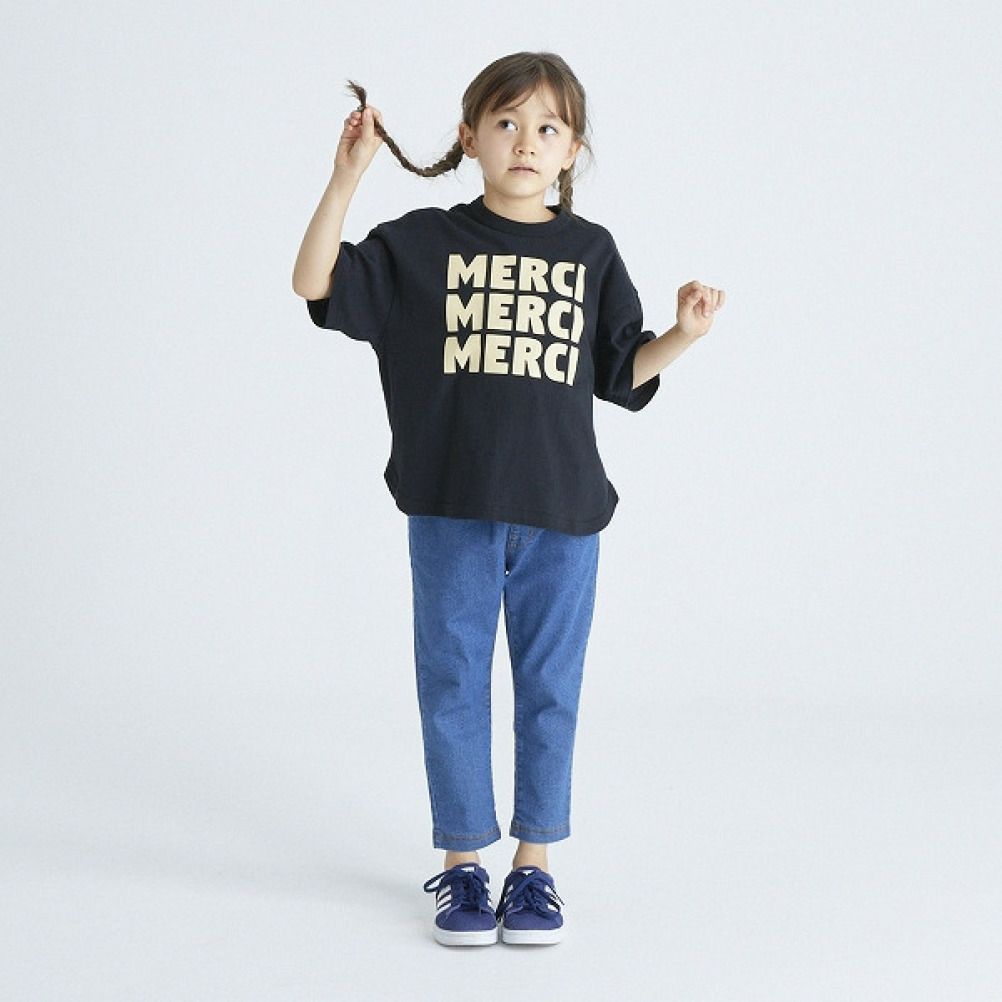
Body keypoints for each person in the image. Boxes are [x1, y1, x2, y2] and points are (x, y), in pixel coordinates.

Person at [292, 51, 725, 948]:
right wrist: (346, 179)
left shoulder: (591, 252)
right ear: (469, 138)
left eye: (548, 128)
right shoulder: (422, 243)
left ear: (571, 151)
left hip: (564, 517)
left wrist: (682, 336)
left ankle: (535, 868)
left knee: (548, 690)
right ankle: (463, 865)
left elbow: (621, 374)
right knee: (452, 684)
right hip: (450, 509)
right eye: (507, 123)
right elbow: (314, 283)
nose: (527, 142)